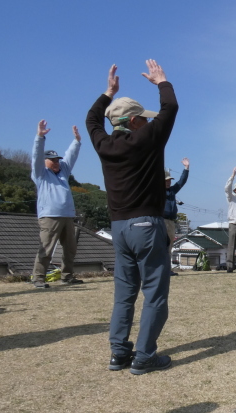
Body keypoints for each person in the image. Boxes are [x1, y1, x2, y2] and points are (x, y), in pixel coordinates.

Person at [86, 60, 178, 375]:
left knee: (124, 295)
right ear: (135, 121)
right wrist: (162, 81)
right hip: (146, 226)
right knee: (154, 294)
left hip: (118, 228)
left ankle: (119, 353)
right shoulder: (146, 139)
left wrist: (107, 93)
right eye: (144, 118)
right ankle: (145, 356)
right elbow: (170, 108)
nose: (148, 121)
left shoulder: (104, 144)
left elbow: (92, 119)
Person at [30, 120, 83, 288]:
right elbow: (36, 157)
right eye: (52, 160)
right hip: (49, 216)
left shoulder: (63, 172)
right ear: (45, 161)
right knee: (46, 248)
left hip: (67, 215)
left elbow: (70, 156)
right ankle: (38, 278)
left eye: (57, 160)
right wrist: (40, 137)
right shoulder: (40, 174)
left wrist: (77, 141)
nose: (56, 162)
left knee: (70, 249)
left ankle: (67, 277)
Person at [164, 157, 190, 275]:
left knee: (169, 246)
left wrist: (186, 168)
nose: (169, 182)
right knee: (159, 246)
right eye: (166, 180)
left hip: (171, 222)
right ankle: (158, 271)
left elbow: (181, 182)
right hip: (161, 221)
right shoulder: (157, 191)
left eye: (170, 180)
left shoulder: (172, 191)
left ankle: (167, 270)